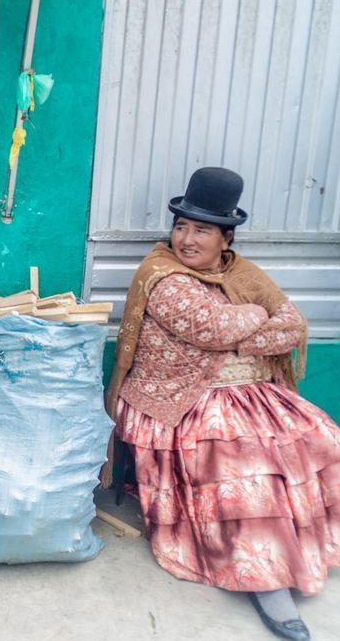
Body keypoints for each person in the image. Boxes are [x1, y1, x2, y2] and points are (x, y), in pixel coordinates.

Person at [105, 167, 340, 641]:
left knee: (318, 435)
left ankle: (306, 546)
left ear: (226, 238)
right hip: (177, 397)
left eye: (202, 230)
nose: (187, 240)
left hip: (249, 391)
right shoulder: (163, 276)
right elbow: (209, 328)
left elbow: (292, 327)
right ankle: (268, 579)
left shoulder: (240, 273)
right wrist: (253, 318)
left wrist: (238, 328)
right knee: (244, 462)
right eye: (181, 227)